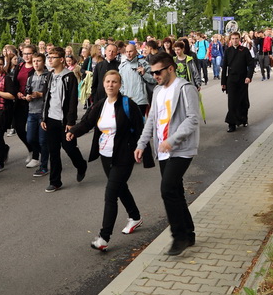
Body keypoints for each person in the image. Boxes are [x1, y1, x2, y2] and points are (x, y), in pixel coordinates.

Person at [67, 70, 145, 252]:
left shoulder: (128, 104)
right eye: (108, 82)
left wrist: (141, 149)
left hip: (124, 154)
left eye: (114, 82)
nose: (111, 85)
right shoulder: (100, 104)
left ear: (120, 85)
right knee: (120, 187)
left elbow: (141, 128)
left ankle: (104, 237)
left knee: (111, 193)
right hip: (105, 154)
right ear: (103, 84)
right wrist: (74, 132)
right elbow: (87, 122)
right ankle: (135, 217)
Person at [135, 51, 200, 257]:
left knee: (167, 189)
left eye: (158, 72)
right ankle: (189, 233)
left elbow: (193, 118)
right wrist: (142, 144)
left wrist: (172, 140)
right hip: (163, 150)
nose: (155, 76)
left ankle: (179, 237)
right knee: (176, 191)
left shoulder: (185, 88)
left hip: (181, 148)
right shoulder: (157, 91)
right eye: (152, 73)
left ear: (170, 68)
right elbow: (152, 119)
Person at [41, 46, 87, 192]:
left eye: (52, 57)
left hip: (65, 121)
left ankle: (81, 165)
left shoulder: (69, 77)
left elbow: (72, 101)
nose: (49, 60)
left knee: (69, 147)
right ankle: (55, 181)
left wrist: (70, 121)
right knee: (53, 151)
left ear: (61, 59)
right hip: (51, 119)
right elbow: (46, 98)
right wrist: (43, 117)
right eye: (48, 57)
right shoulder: (49, 76)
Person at [22, 52, 50, 175]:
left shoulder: (48, 76)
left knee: (43, 140)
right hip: (32, 110)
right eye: (34, 61)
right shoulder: (31, 77)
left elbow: (51, 93)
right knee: (30, 138)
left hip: (43, 112)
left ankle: (44, 166)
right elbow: (27, 91)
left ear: (43, 62)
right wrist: (27, 97)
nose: (36, 63)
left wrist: (40, 94)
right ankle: (41, 154)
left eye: (38, 61)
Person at [221, 32, 255, 131]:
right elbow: (224, 67)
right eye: (233, 38)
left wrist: (249, 76)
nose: (234, 40)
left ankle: (243, 118)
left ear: (239, 39)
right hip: (231, 79)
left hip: (243, 79)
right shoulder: (228, 51)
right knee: (232, 101)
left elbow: (251, 64)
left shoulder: (244, 50)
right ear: (230, 40)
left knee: (243, 101)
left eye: (236, 38)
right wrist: (223, 82)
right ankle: (231, 123)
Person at [118, 43, 155, 115]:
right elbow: (120, 83)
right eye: (127, 52)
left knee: (139, 120)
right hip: (126, 99)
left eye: (130, 51)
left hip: (140, 100)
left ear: (135, 51)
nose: (128, 54)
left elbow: (154, 79)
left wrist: (144, 74)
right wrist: (122, 94)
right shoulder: (122, 66)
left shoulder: (143, 64)